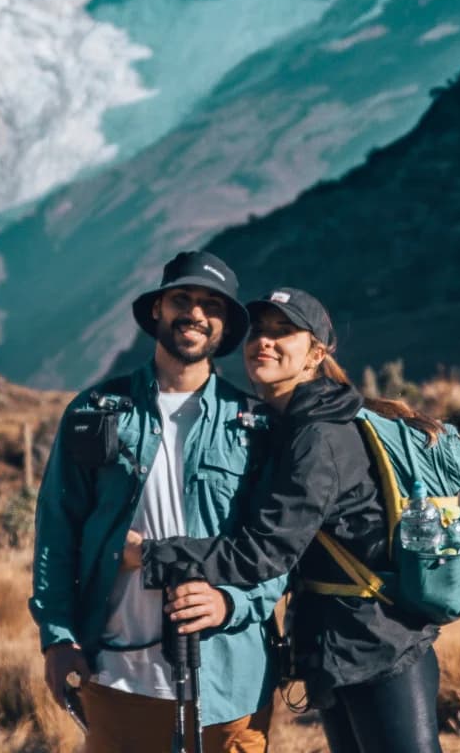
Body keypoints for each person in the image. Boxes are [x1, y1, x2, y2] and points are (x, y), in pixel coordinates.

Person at [132, 288, 447, 753]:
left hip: (383, 648)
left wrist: (150, 554)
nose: (265, 342)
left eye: (284, 333)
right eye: (259, 331)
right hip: (339, 648)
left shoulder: (320, 437)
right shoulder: (293, 426)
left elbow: (266, 551)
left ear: (316, 353)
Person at [30, 250, 287, 753]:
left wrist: (229, 601)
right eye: (182, 299)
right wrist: (58, 638)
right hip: (118, 675)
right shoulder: (95, 412)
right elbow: (57, 532)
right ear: (157, 310)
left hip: (230, 680)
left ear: (224, 326)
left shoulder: (256, 425)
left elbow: (279, 547)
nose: (195, 313)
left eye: (211, 305)